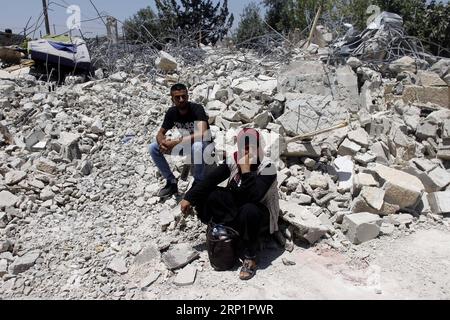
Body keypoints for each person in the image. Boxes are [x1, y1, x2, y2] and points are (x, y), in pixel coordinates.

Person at [180, 128, 280, 280]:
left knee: (249, 210)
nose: (247, 151)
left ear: (259, 146)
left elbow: (253, 197)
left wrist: (246, 171)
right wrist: (189, 197)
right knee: (211, 194)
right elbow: (209, 181)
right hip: (238, 207)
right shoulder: (233, 160)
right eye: (243, 147)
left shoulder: (267, 167)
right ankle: (224, 229)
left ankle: (250, 256)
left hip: (259, 214)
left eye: (251, 146)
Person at [149, 83, 210, 198]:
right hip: (186, 145)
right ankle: (171, 182)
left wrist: (175, 142)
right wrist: (162, 142)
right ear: (172, 99)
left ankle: (199, 183)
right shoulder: (172, 112)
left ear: (187, 96)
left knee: (196, 146)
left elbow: (201, 134)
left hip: (204, 146)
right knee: (153, 147)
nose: (181, 100)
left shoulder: (196, 109)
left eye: (184, 96)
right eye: (177, 97)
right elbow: (160, 133)